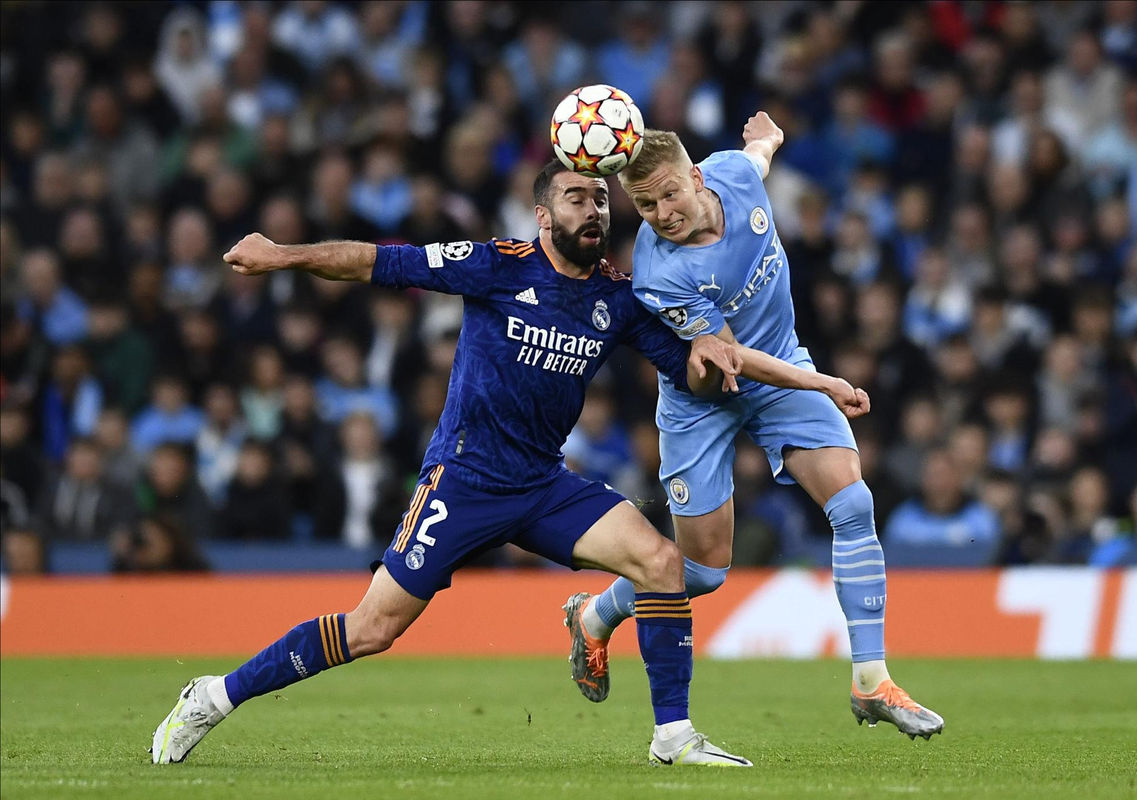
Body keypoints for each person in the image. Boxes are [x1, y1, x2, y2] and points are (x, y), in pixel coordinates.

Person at [150, 160, 757, 768]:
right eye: (577, 198)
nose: (594, 210)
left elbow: (691, 374)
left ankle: (673, 738)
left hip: (543, 483)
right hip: (463, 480)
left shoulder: (617, 298)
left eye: (601, 199)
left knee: (660, 563)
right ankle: (212, 696)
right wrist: (281, 255)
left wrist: (706, 344)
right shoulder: (496, 263)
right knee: (371, 630)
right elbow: (377, 262)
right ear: (543, 215)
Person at [564, 115, 944, 739]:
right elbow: (731, 358)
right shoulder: (661, 273)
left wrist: (768, 136)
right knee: (705, 573)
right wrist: (823, 382)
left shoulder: (735, 175)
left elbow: (758, 154)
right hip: (704, 401)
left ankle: (871, 679)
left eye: (669, 193)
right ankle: (597, 614)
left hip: (781, 372)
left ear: (696, 177)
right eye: (645, 203)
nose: (662, 212)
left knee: (852, 502)